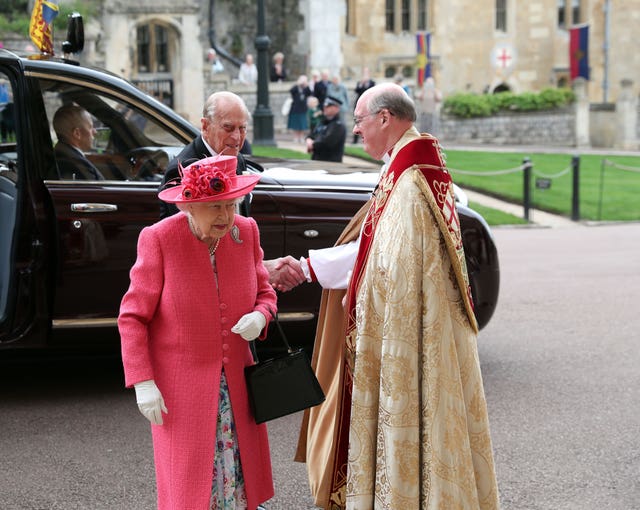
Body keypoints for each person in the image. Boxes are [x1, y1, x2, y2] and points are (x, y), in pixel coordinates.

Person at [294, 83, 500, 509]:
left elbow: (389, 273)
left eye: (360, 122)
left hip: (410, 342)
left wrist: (305, 270)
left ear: (385, 119)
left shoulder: (409, 185)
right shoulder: (411, 167)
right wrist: (310, 268)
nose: (356, 132)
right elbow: (373, 251)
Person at [119, 155, 276, 510]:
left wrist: (261, 316)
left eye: (230, 205)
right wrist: (143, 381)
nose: (225, 216)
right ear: (190, 207)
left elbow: (265, 293)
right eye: (214, 207)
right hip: (183, 389)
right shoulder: (159, 239)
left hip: (239, 386)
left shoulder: (246, 231)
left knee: (240, 480)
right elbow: (132, 318)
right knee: (191, 490)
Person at [159, 91, 302, 292]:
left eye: (242, 128)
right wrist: (259, 269)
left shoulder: (235, 158)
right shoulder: (183, 170)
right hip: (196, 287)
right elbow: (199, 244)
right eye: (228, 128)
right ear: (205, 126)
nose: (237, 137)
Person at [52, 104, 105, 180]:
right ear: (77, 133)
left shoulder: (63, 154)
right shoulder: (75, 163)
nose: (95, 131)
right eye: (90, 127)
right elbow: (99, 190)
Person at [305, 96, 346, 162]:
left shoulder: (338, 125)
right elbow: (312, 134)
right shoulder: (323, 122)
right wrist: (308, 139)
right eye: (324, 106)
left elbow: (327, 143)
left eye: (328, 106)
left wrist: (312, 145)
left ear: (336, 108)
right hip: (318, 161)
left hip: (330, 164)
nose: (324, 108)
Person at [352, 67, 375, 143]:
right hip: (359, 105)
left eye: (366, 72)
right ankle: (355, 140)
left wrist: (366, 84)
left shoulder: (372, 82)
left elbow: (372, 92)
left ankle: (368, 140)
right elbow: (356, 91)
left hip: (368, 105)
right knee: (357, 121)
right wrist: (361, 84)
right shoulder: (359, 82)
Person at [287, 75, 312, 143]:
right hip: (295, 108)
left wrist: (306, 85)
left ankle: (301, 137)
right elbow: (291, 91)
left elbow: (310, 93)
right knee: (296, 125)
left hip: (303, 109)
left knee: (302, 125)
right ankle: (296, 137)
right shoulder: (296, 88)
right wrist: (298, 84)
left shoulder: (306, 89)